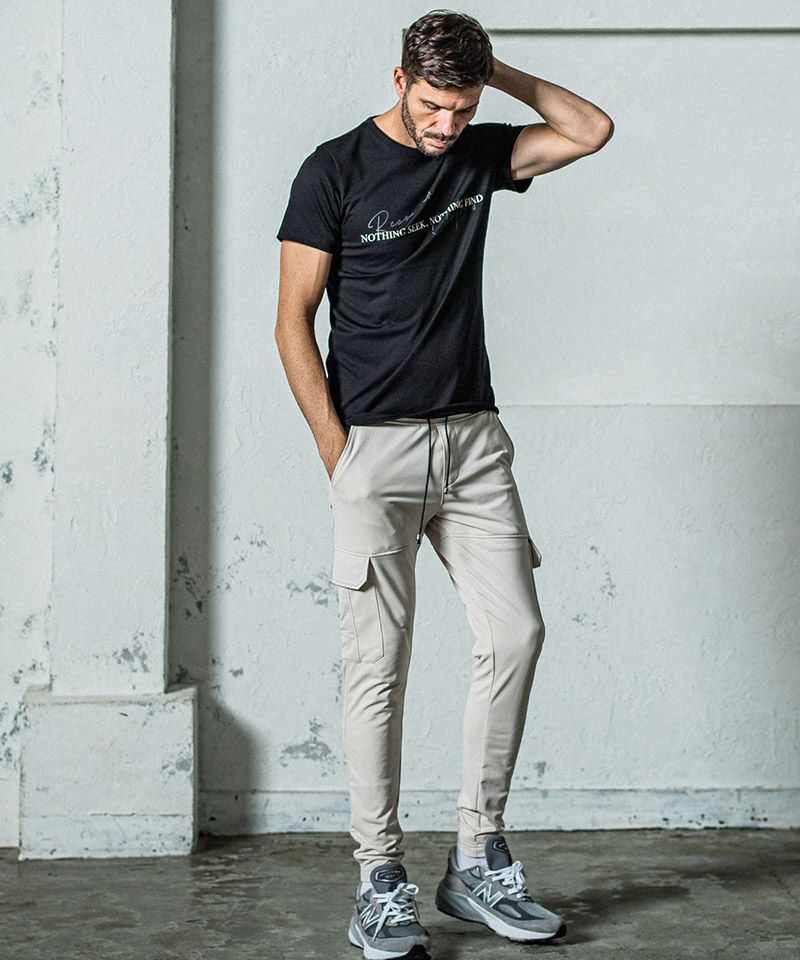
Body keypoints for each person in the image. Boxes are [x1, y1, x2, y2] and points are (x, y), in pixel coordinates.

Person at [275, 8, 613, 957]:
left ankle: (476, 858)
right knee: (378, 667)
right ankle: (380, 876)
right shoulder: (333, 170)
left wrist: (494, 75)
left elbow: (590, 129)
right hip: (373, 451)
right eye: (432, 105)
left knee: (517, 632)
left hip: (473, 446)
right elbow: (293, 319)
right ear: (399, 81)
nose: (445, 125)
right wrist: (337, 452)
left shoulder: (479, 151)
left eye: (461, 107)